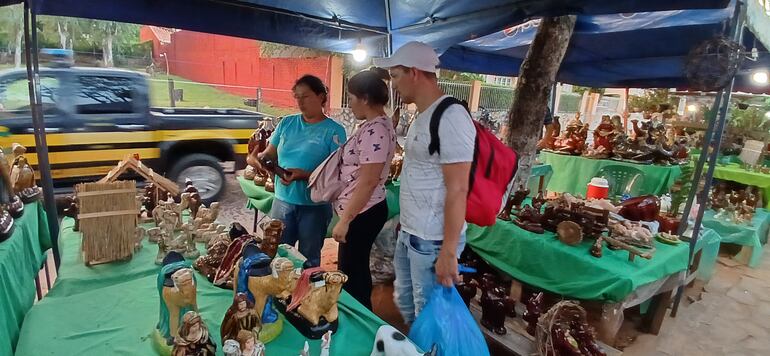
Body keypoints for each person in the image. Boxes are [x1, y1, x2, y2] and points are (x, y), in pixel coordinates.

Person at [374, 41, 475, 324]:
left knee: (430, 316)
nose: (393, 84)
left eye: (395, 75)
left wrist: (448, 252)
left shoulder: (451, 116)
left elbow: (458, 188)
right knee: (409, 307)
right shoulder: (422, 115)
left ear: (415, 72)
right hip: (411, 233)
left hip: (432, 240)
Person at [247, 75, 346, 267]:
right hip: (283, 201)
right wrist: (261, 161)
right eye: (297, 97)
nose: (300, 102)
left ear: (321, 97)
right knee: (278, 255)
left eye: (306, 96)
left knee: (309, 259)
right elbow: (269, 153)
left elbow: (337, 173)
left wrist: (305, 175)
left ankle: (307, 287)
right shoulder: (287, 123)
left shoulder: (334, 131)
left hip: (314, 206)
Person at [330, 70, 396, 309]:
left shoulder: (375, 130)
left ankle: (358, 320)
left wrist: (345, 220)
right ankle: (357, 316)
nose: (350, 105)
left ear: (365, 98)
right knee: (354, 270)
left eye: (351, 98)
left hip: (363, 211)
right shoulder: (377, 125)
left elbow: (368, 181)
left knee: (351, 275)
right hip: (364, 208)